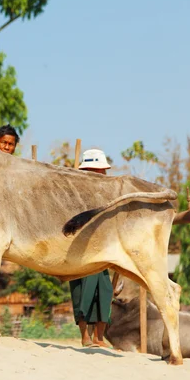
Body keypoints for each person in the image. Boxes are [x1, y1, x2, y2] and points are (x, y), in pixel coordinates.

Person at [69, 148, 114, 348]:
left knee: (104, 291)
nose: (101, 175)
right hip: (81, 249)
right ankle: (85, 337)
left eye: (102, 171)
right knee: (83, 291)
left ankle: (99, 337)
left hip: (102, 249)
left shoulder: (107, 193)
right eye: (98, 171)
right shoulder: (75, 192)